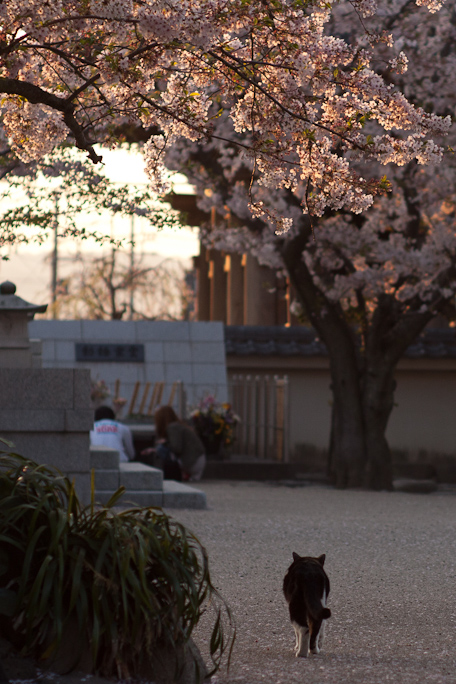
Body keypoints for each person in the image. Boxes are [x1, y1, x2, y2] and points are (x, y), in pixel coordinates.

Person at [141, 405, 206, 482]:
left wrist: (164, 444)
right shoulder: (177, 425)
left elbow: (176, 448)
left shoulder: (173, 427)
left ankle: (161, 476)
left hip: (192, 462)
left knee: (161, 449)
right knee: (160, 448)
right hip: (197, 460)